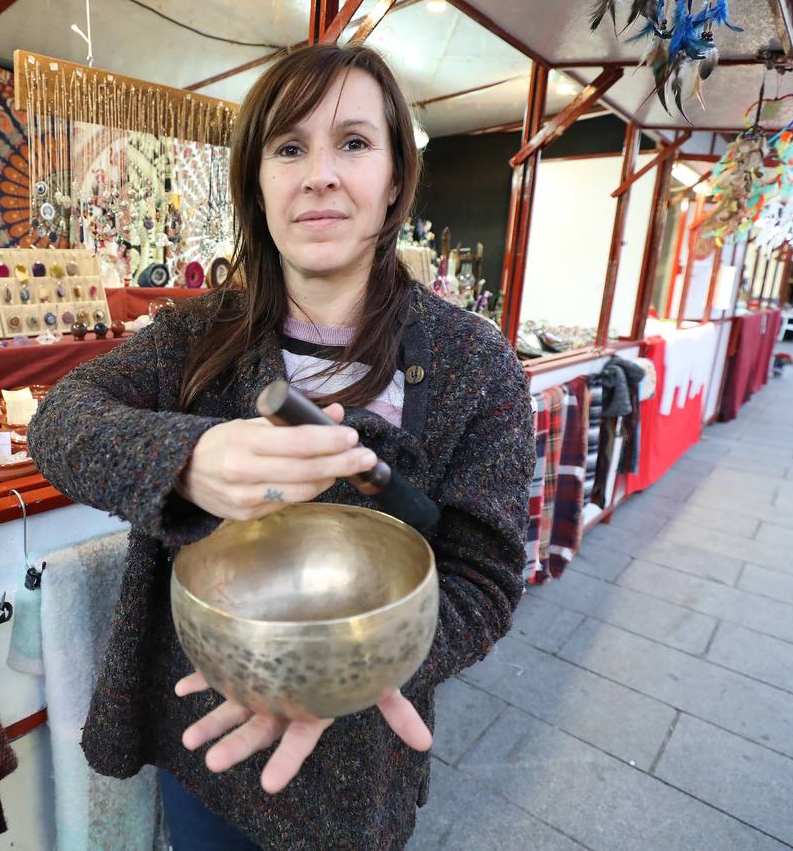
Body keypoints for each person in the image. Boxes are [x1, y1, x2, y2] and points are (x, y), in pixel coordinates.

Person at [28, 43, 533, 850]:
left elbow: (487, 573)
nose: (320, 174)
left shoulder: (475, 364)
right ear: (258, 184)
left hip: (362, 755)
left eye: (355, 144)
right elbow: (58, 419)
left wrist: (363, 669)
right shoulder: (195, 336)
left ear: (396, 179)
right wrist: (188, 458)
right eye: (289, 148)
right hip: (207, 727)